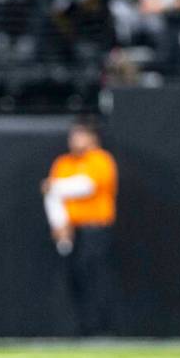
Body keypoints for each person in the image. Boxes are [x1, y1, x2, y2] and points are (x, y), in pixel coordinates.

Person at [41, 119, 118, 336]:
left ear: (93, 138)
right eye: (73, 136)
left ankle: (102, 328)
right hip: (71, 231)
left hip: (95, 229)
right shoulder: (63, 163)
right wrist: (58, 225)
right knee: (75, 278)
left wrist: (55, 186)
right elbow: (52, 197)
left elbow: (87, 186)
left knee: (96, 276)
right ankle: (82, 327)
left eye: (81, 135)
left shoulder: (101, 160)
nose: (75, 140)